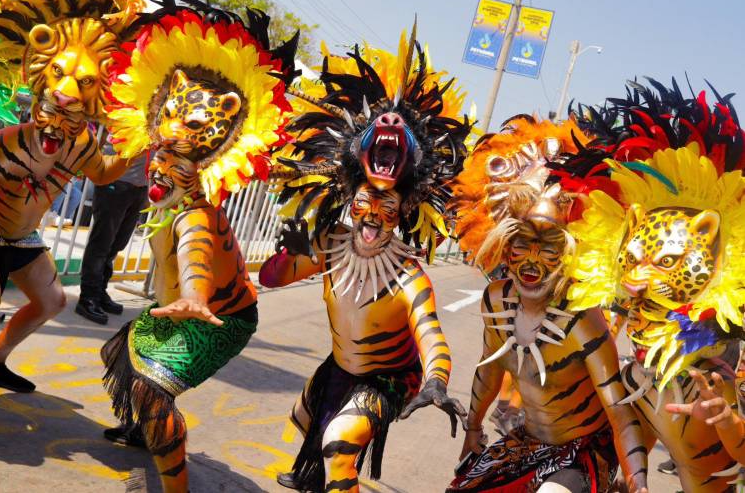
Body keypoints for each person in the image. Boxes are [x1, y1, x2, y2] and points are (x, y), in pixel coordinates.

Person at [99, 0, 299, 493]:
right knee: (118, 354)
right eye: (162, 141)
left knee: (149, 391)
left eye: (183, 138)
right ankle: (145, 432)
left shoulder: (195, 210)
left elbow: (195, 250)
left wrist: (192, 294)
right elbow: (100, 171)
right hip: (185, 305)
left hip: (221, 317)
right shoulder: (165, 176)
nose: (165, 148)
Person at [260, 25, 471, 492]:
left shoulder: (409, 275)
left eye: (388, 204)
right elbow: (272, 279)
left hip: (391, 378)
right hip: (339, 365)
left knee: (340, 441)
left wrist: (436, 380)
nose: (374, 212)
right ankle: (311, 473)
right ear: (347, 196)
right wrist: (286, 253)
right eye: (366, 200)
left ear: (406, 210)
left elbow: (431, 334)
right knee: (305, 417)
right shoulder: (329, 243)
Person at [0, 0, 141, 468]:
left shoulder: (82, 145)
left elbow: (106, 174)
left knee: (51, 302)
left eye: (82, 83)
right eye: (60, 76)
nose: (66, 93)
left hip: (25, 239)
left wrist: (147, 138)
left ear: (96, 93)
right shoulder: (4, 142)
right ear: (42, 69)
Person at [552, 78, 745, 491]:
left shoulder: (711, 378)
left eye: (667, 263)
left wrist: (728, 422)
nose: (636, 282)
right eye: (634, 261)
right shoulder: (636, 374)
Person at [448, 116, 649, 493]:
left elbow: (618, 410)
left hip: (582, 449)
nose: (531, 264)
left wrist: (637, 478)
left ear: (570, 253)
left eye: (549, 249)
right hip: (527, 441)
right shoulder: (497, 300)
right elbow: (489, 370)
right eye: (522, 244)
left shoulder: (581, 320)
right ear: (505, 244)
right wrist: (473, 429)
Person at [76, 140, 148, 324]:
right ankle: (88, 297)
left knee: (117, 243)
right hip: (115, 181)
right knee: (101, 243)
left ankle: (100, 290)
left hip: (139, 186)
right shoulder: (127, 111)